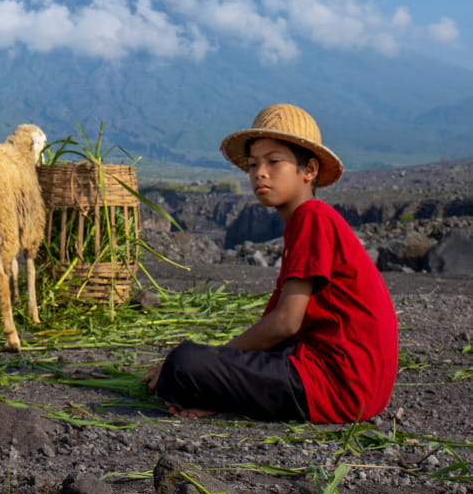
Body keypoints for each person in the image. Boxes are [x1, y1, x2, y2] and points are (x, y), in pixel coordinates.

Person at [147, 104, 398, 424]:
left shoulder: (313, 217)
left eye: (274, 161)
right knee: (190, 364)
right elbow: (283, 335)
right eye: (253, 164)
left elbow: (285, 324)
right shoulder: (308, 222)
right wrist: (222, 371)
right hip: (355, 387)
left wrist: (218, 361)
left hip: (336, 386)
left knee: (183, 361)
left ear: (309, 170)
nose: (259, 173)